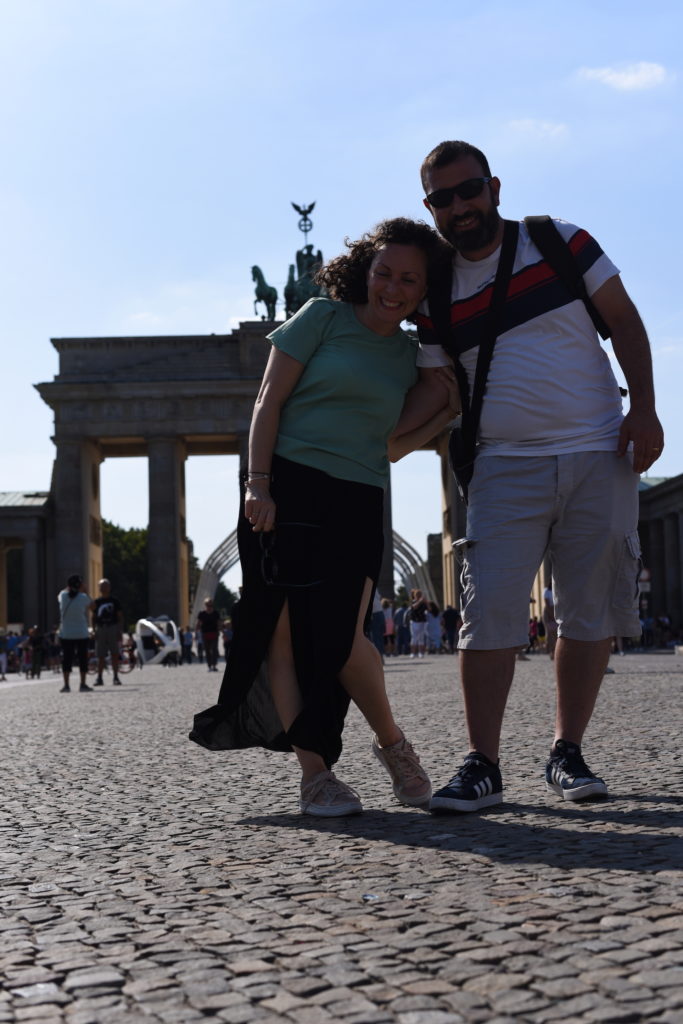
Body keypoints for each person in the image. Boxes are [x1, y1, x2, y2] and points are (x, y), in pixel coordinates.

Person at [417, 139, 663, 812]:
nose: (459, 206)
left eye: (468, 191)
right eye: (443, 198)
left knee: (586, 612)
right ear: (429, 209)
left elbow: (625, 322)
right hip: (501, 463)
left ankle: (567, 750)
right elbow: (438, 392)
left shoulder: (560, 242)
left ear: (493, 187)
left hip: (598, 451)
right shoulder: (434, 290)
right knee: (487, 610)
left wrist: (643, 408)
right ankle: (481, 763)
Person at [190, 217, 459, 817]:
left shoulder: (411, 357)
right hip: (285, 486)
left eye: (408, 279)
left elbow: (384, 446)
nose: (392, 287)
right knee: (283, 631)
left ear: (424, 289)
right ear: (365, 270)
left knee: (344, 635)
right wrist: (257, 485)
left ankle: (394, 746)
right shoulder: (320, 316)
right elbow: (269, 401)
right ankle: (316, 775)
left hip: (358, 496)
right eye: (383, 271)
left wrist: (445, 411)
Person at [57, 574, 94, 693]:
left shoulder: (62, 596)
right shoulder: (83, 597)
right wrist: (86, 590)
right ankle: (82, 684)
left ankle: (66, 685)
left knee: (66, 659)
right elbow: (93, 607)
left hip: (66, 633)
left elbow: (64, 591)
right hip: (82, 633)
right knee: (83, 659)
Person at [91, 579, 123, 686]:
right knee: (100, 655)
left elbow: (119, 616)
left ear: (109, 588)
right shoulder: (97, 602)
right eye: (101, 586)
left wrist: (119, 630)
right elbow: (93, 617)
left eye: (105, 586)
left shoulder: (115, 601)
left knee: (114, 654)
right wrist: (94, 630)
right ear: (99, 588)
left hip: (112, 627)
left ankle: (116, 677)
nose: (104, 588)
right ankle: (99, 677)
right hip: (101, 628)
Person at [196, 598, 220, 671]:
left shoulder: (216, 613)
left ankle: (214, 665)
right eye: (207, 605)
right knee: (207, 650)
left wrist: (219, 630)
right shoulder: (202, 613)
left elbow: (218, 623)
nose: (209, 606)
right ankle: (209, 665)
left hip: (214, 633)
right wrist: (196, 633)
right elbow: (199, 623)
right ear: (205, 605)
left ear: (212, 605)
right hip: (205, 634)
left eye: (210, 605)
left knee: (214, 649)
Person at [409, 588, 428, 658]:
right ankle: (413, 653)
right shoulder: (413, 602)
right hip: (414, 622)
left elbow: (429, 609)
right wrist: (420, 601)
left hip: (422, 622)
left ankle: (421, 653)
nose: (419, 596)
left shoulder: (423, 603)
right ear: (415, 595)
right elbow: (414, 607)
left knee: (421, 638)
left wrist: (426, 602)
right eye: (417, 595)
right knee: (414, 638)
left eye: (420, 595)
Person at [543, 582, 558, 661]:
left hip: (555, 611)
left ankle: (555, 652)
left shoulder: (558, 589)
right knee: (550, 634)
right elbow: (547, 604)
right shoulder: (546, 591)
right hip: (549, 613)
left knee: (556, 634)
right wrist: (552, 615)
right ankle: (551, 652)